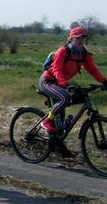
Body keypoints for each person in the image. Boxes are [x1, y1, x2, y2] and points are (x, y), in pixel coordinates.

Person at [38, 26, 107, 157]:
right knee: (65, 98)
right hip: (48, 81)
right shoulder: (63, 51)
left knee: (62, 117)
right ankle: (47, 121)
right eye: (78, 37)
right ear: (71, 38)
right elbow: (57, 69)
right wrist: (64, 83)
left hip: (60, 84)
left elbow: (92, 69)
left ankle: (58, 144)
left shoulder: (83, 54)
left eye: (83, 37)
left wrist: (103, 80)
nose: (81, 40)